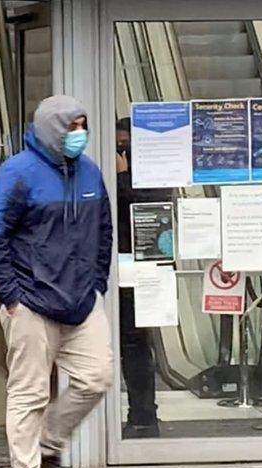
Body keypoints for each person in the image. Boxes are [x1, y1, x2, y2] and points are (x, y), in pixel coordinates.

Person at [0, 95, 114, 468]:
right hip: (32, 303)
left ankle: (48, 445)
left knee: (97, 378)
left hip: (81, 301)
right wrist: (12, 297)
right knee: (29, 392)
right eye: (72, 126)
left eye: (83, 125)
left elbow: (104, 228)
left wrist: (97, 281)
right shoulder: (18, 173)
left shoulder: (89, 172)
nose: (79, 134)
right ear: (52, 128)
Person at [114, 117, 161, 438]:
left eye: (126, 145)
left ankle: (143, 416)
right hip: (108, 264)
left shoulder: (153, 173)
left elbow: (148, 207)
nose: (121, 151)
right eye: (117, 146)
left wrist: (121, 175)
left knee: (135, 345)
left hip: (139, 266)